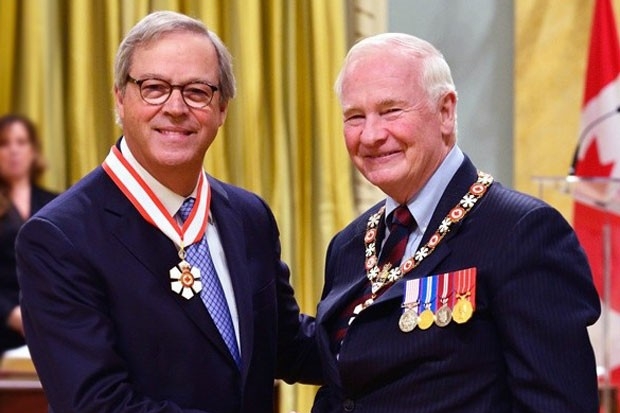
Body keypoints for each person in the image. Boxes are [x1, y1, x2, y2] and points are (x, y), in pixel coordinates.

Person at [16, 11, 320, 412]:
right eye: (154, 88)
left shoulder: (249, 217)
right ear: (120, 99)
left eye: (197, 91)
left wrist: (397, 338)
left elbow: (286, 344)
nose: (176, 108)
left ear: (222, 109)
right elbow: (96, 405)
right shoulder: (59, 238)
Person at [311, 33, 601, 413]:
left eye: (391, 111)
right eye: (354, 117)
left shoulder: (522, 232)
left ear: (446, 112)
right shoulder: (348, 246)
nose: (371, 135)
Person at [0, 114, 56, 354]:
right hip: (4, 330)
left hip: (50, 327)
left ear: (33, 151)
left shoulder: (57, 204)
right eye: (4, 143)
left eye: (21, 142)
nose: (13, 150)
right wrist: (9, 313)